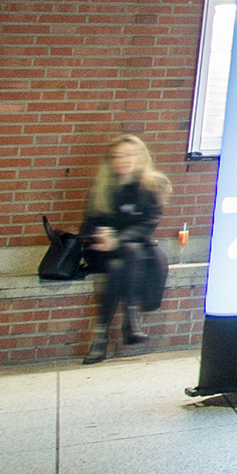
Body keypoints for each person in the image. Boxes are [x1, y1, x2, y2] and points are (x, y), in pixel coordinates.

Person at [82, 135, 177, 363]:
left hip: (130, 251)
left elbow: (148, 224)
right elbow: (88, 225)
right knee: (128, 254)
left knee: (123, 261)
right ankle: (130, 320)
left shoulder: (152, 186)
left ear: (140, 157)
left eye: (128, 155)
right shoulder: (103, 188)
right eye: (116, 156)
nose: (122, 160)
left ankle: (100, 337)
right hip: (101, 251)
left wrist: (119, 239)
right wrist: (101, 235)